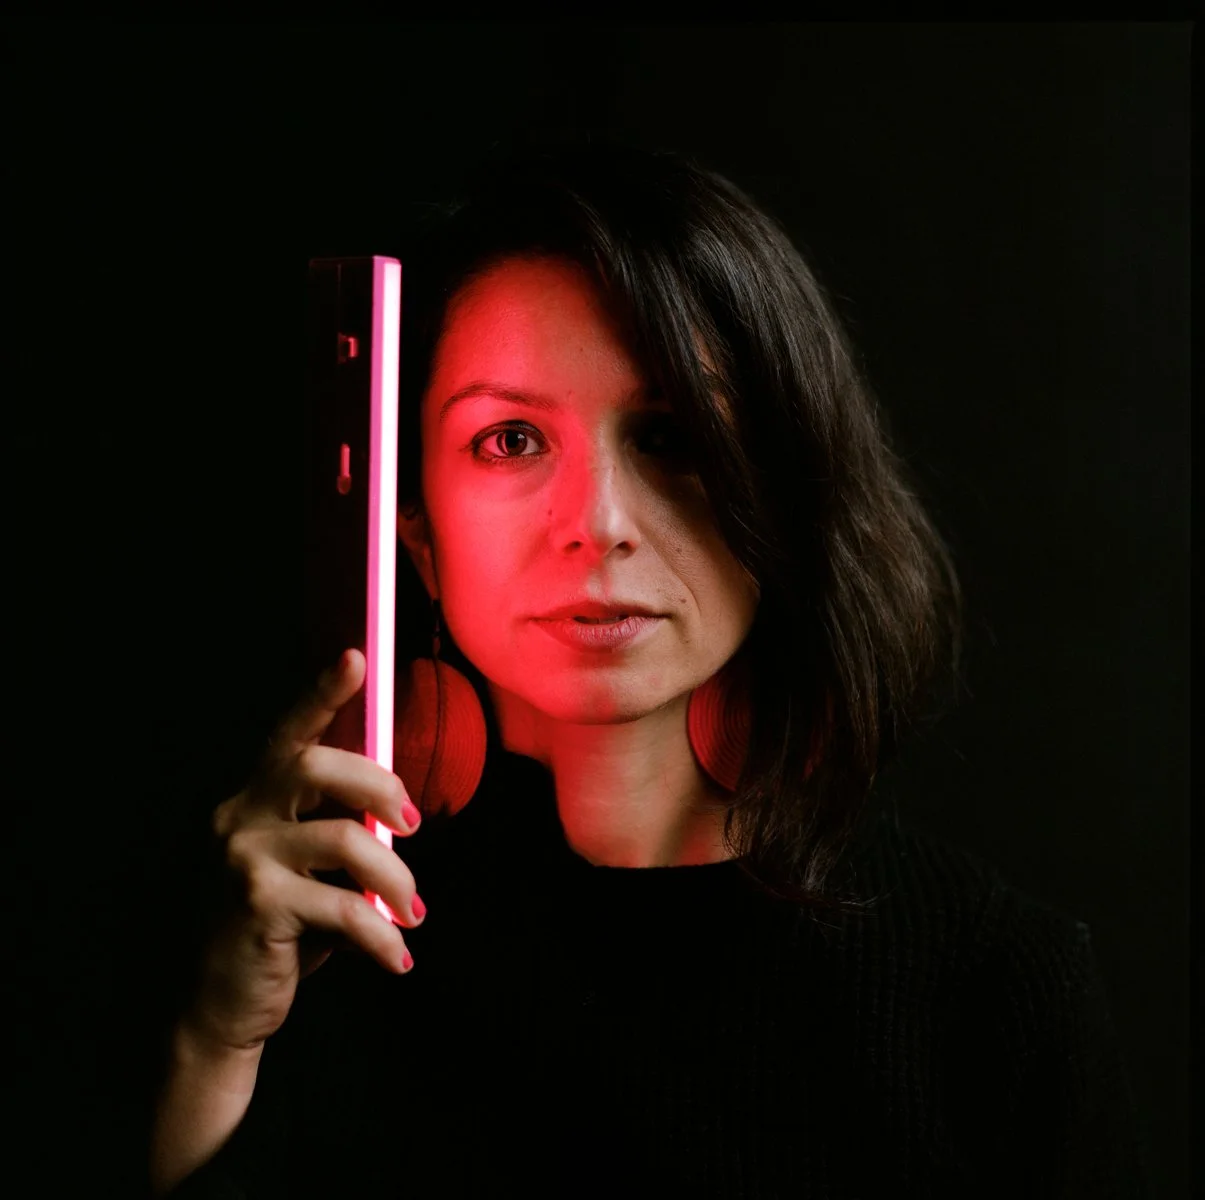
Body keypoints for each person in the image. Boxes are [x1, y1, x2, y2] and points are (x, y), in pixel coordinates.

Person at [147, 138, 1150, 1197]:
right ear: (418, 531)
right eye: (508, 440)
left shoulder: (994, 988)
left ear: (786, 495)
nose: (598, 522)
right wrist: (216, 1045)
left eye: (669, 436)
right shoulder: (293, 940)